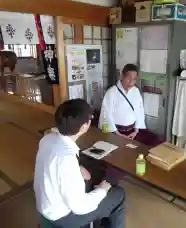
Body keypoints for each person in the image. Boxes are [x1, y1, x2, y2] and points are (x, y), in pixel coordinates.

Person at [33, 99, 125, 228]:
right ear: (83, 127)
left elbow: (56, 164)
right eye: (90, 119)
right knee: (119, 194)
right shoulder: (67, 159)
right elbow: (80, 207)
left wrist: (77, 168)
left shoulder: (47, 139)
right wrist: (102, 191)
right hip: (62, 216)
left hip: (46, 203)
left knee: (94, 175)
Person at [98, 63, 164, 147]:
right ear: (122, 76)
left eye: (134, 79)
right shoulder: (111, 92)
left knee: (155, 141)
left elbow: (140, 111)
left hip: (132, 132)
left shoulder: (135, 91)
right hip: (116, 132)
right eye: (128, 79)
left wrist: (136, 131)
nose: (131, 82)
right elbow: (106, 115)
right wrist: (117, 134)